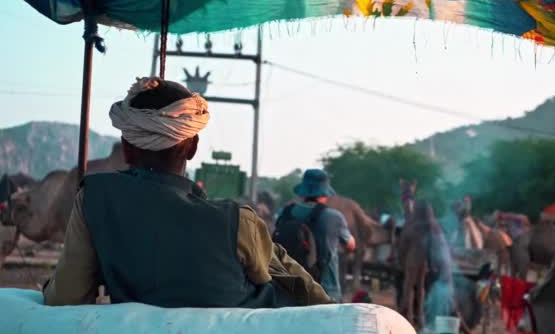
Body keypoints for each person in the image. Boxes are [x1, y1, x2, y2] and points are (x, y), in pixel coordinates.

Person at [43, 77, 331, 308]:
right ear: (192, 149)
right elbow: (296, 284)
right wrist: (333, 310)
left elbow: (66, 296)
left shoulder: (94, 198)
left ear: (127, 150)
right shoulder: (238, 221)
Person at [276, 169, 355, 301]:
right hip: (325, 291)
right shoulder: (333, 216)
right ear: (325, 193)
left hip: (288, 290)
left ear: (303, 192)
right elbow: (350, 246)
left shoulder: (285, 214)